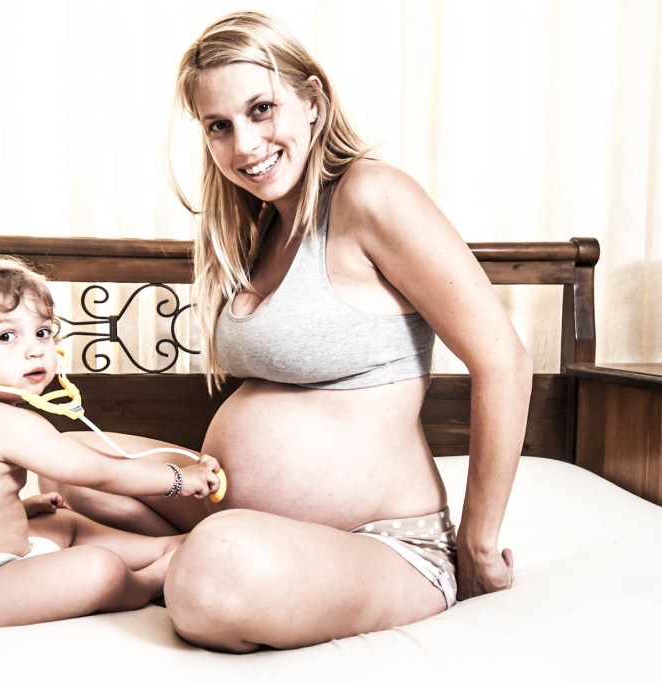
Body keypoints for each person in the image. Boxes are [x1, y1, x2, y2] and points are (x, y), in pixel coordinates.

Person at [44, 11, 533, 652]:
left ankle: (182, 560)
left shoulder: (369, 195)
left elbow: (504, 361)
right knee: (66, 466)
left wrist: (477, 543)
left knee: (216, 575)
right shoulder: (262, 229)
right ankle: (180, 551)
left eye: (261, 109)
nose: (244, 145)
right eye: (219, 125)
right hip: (232, 506)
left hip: (377, 542)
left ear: (313, 102)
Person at [0, 255, 222, 629]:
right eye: (7, 336)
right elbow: (95, 471)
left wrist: (16, 512)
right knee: (97, 568)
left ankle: (170, 546)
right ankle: (148, 580)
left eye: (43, 332)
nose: (35, 350)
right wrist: (179, 479)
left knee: (63, 524)